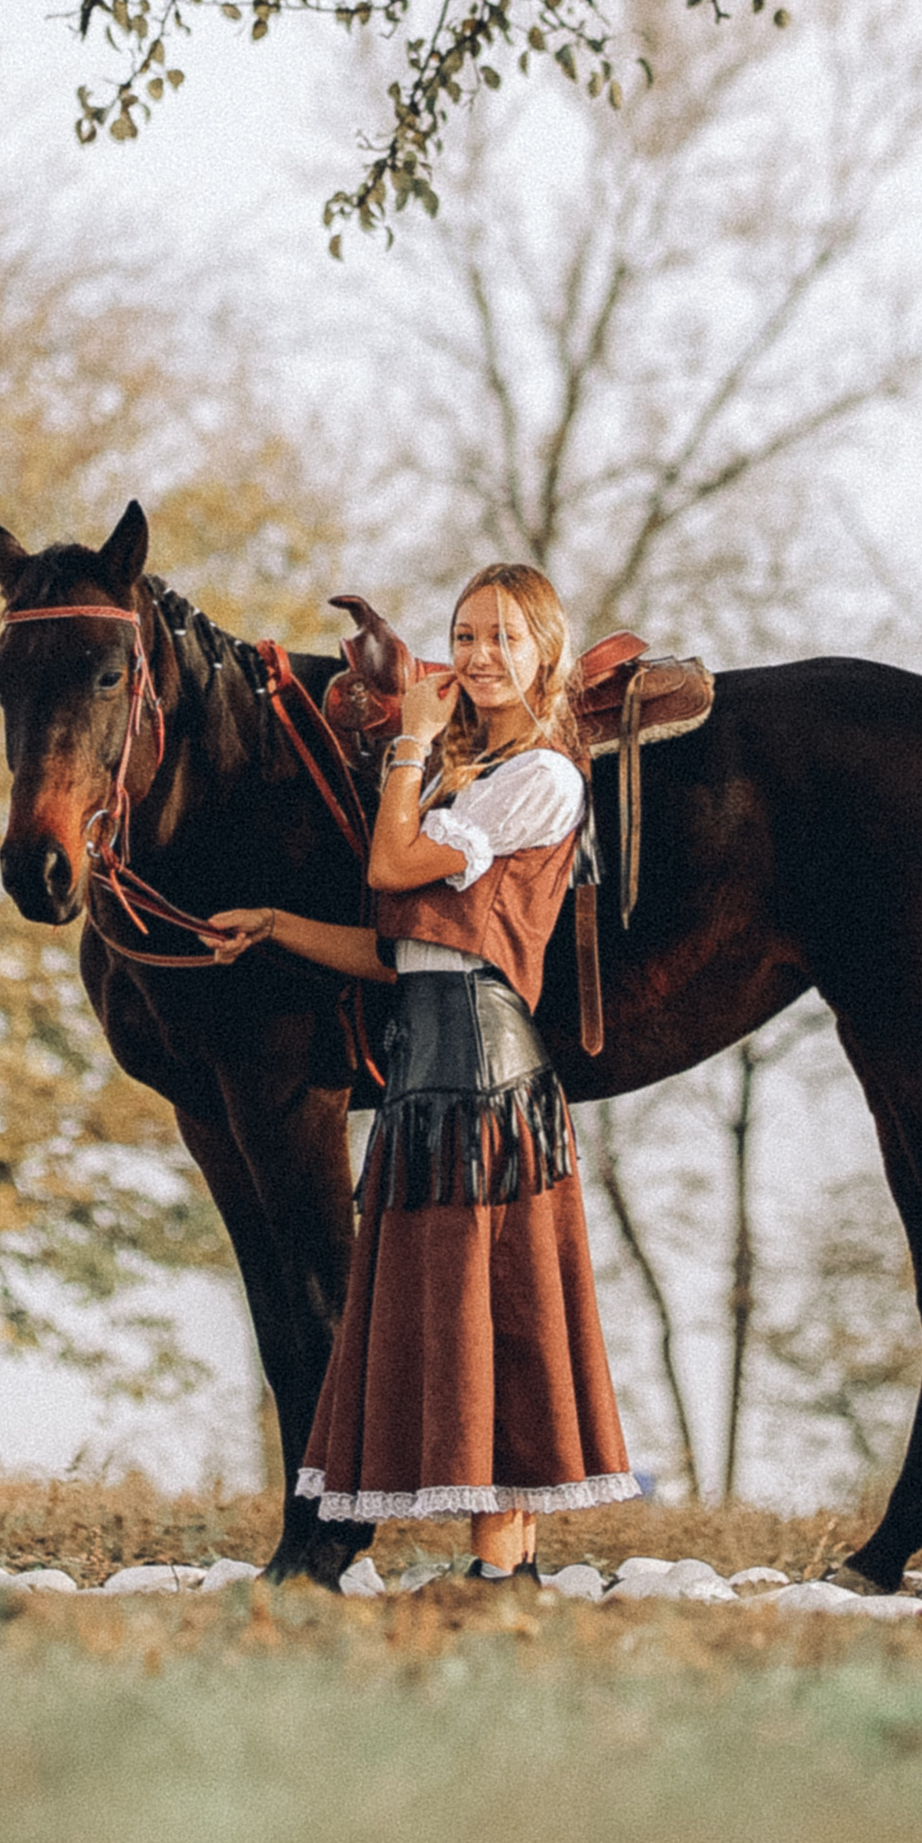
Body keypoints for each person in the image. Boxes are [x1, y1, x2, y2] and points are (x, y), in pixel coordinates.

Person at [205, 561, 635, 1581]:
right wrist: (273, 925)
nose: (484, 656)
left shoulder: (541, 778)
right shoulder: (463, 784)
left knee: (497, 1319)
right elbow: (401, 950)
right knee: (456, 1318)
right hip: (426, 1084)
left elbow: (390, 869)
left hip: (486, 1089)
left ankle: (497, 1575)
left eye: (506, 638)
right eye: (469, 635)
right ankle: (506, 1572)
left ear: (545, 652)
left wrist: (405, 743)